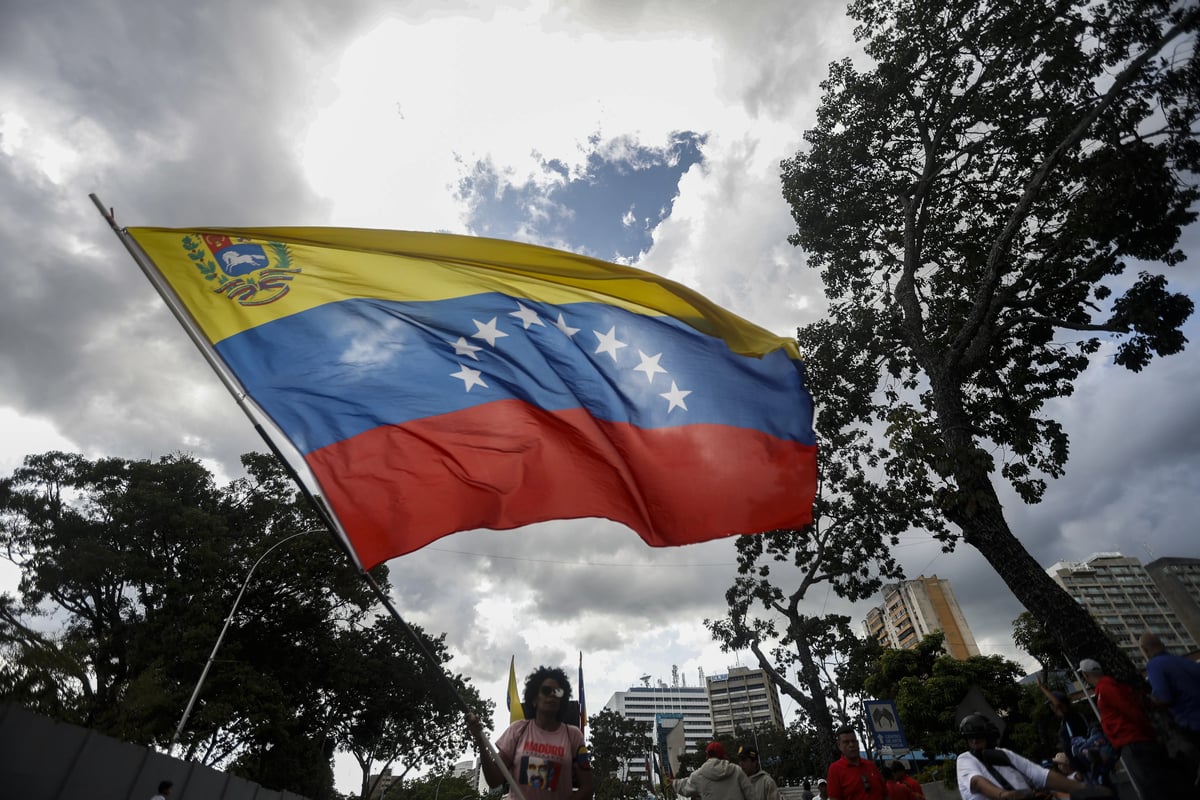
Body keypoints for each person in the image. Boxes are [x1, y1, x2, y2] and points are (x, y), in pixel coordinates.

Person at [466, 665, 593, 800]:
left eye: (558, 691)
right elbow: (494, 780)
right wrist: (480, 741)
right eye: (546, 690)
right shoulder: (517, 731)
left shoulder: (573, 736)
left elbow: (587, 788)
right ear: (534, 699)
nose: (552, 694)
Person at [1079, 657, 1188, 798]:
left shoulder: (1106, 688)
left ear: (1085, 675)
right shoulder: (1104, 688)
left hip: (1134, 743)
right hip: (1133, 742)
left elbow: (1130, 711)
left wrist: (1148, 733)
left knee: (1153, 788)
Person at [955, 713, 1092, 800]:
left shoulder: (1004, 754)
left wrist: (1086, 790)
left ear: (989, 736)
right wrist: (1004, 795)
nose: (974, 741)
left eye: (978, 736)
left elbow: (1041, 775)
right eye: (970, 738)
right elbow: (976, 782)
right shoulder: (965, 759)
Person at [1139, 632, 1200, 749]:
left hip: (1193, 723)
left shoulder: (1154, 665)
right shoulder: (1183, 660)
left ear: (1145, 650)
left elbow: (1164, 699)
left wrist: (1149, 699)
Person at [673, 741, 754, 800]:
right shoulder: (736, 771)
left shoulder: (699, 775)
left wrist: (673, 783)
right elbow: (751, 794)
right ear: (723, 756)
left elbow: (684, 787)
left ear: (707, 756)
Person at [825, 726, 885, 800]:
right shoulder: (835, 769)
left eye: (853, 741)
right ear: (839, 745)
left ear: (857, 743)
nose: (851, 745)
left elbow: (885, 793)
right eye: (846, 742)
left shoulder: (870, 765)